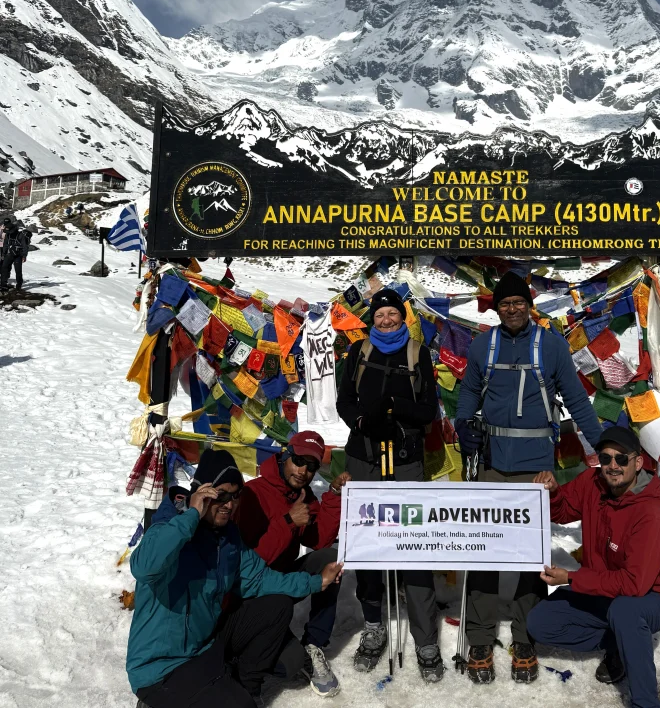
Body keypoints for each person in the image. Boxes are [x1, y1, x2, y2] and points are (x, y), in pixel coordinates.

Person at [454, 270, 603, 684]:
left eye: (519, 302)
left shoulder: (551, 345)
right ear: (496, 308)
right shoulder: (484, 344)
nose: (513, 309)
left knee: (529, 557)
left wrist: (604, 447)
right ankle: (481, 637)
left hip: (536, 466)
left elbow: (575, 399)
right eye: (505, 304)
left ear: (529, 305)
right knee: (483, 552)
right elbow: (468, 390)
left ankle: (524, 637)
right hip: (491, 463)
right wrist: (463, 421)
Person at [126, 449, 342, 708]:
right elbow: (144, 567)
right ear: (201, 492)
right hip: (161, 665)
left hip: (205, 646)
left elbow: (260, 579)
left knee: (277, 605)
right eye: (221, 495)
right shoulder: (169, 525)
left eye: (235, 496)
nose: (230, 504)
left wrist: (317, 582)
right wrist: (190, 517)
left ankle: (246, 688)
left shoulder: (227, 538)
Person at [336, 287, 444, 682]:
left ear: (402, 317)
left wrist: (395, 410)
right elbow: (344, 401)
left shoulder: (418, 352)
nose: (386, 320)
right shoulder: (358, 352)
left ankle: (425, 638)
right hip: (363, 457)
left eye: (392, 314)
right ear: (372, 318)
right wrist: (363, 421)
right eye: (380, 314)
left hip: (405, 460)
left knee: (413, 545)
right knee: (366, 544)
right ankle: (374, 625)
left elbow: (429, 408)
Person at [527, 426, 660, 708]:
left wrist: (572, 578)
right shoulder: (592, 482)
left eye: (622, 459)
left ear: (638, 462)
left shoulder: (650, 514)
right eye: (606, 458)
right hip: (602, 590)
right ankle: (620, 643)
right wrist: (553, 491)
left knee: (624, 611)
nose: (613, 466)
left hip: (649, 598)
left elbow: (634, 585)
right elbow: (562, 511)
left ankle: (645, 702)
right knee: (540, 622)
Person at [235, 430, 350, 698]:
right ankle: (238, 654)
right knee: (289, 666)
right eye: (298, 461)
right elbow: (246, 565)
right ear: (285, 456)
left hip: (283, 583)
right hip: (250, 595)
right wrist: (287, 523)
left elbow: (319, 540)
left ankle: (314, 643)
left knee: (330, 558)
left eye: (312, 466)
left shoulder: (304, 497)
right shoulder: (252, 494)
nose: (303, 471)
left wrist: (333, 495)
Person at [0, 217, 30, 293]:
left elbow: (25, 246)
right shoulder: (8, 235)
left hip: (18, 255)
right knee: (4, 268)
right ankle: (3, 285)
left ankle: (19, 285)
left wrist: (24, 256)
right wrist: (3, 254)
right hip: (9, 254)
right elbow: (5, 244)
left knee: (18, 271)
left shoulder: (21, 235)